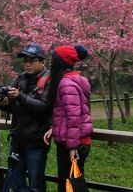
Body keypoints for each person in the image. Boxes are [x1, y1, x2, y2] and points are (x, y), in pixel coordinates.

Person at [0, 43, 52, 192]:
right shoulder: (21, 78)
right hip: (17, 139)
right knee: (15, 181)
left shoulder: (49, 80)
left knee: (36, 185)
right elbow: (11, 106)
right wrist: (3, 101)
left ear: (42, 61)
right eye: (25, 60)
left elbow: (43, 108)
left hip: (36, 141)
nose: (27, 64)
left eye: (32, 60)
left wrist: (19, 96)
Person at [43, 45, 92, 192]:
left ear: (60, 63)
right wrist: (54, 128)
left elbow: (73, 116)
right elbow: (66, 113)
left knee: (68, 187)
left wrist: (72, 146)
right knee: (73, 184)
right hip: (76, 141)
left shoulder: (65, 83)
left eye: (54, 60)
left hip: (73, 144)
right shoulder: (75, 80)